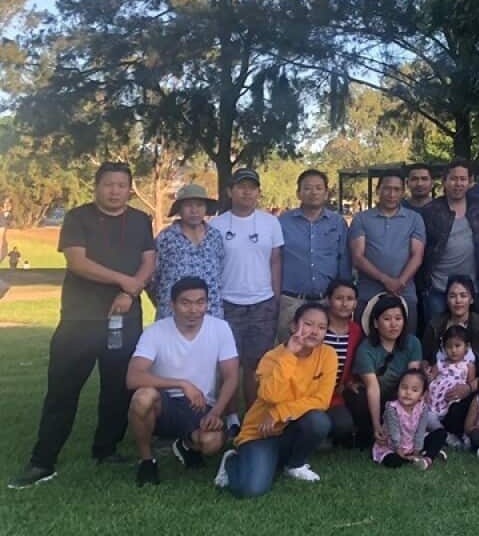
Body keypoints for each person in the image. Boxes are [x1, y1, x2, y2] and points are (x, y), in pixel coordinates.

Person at [10, 162, 156, 490]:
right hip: (80, 319)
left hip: (125, 319)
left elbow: (149, 261)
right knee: (63, 390)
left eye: (122, 185)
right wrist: (124, 281)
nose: (115, 191)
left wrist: (129, 292)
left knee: (117, 388)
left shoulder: (140, 220)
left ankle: (106, 449)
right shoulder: (78, 218)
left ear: (129, 189)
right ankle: (43, 460)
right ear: (97, 186)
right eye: (109, 184)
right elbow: (77, 262)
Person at [213, 303, 336, 499]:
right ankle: (232, 461)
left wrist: (279, 412)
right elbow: (271, 395)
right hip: (262, 432)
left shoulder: (328, 355)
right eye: (308, 324)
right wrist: (289, 355)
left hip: (291, 427)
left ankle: (295, 464)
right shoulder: (272, 357)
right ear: (293, 326)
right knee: (251, 490)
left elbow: (321, 400)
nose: (314, 331)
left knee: (318, 421)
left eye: (321, 327)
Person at [127, 277, 239, 486]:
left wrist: (217, 412)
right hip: (163, 404)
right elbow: (133, 377)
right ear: (172, 305)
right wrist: (181, 384)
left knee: (212, 444)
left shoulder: (220, 328)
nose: (194, 310)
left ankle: (186, 445)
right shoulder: (155, 331)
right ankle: (147, 460)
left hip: (200, 405)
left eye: (200, 302)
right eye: (185, 303)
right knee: (143, 397)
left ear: (207, 303)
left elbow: (231, 376)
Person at [210, 167, 284, 418]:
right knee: (229, 364)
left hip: (262, 303)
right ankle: (230, 416)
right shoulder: (217, 225)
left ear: (258, 193)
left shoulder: (271, 223)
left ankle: (252, 417)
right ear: (230, 191)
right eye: (241, 187)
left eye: (252, 188)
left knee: (256, 365)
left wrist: (275, 296)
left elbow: (275, 261)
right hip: (227, 302)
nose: (246, 192)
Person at [349, 172, 426, 339]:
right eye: (387, 189)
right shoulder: (361, 219)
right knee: (366, 340)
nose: (392, 194)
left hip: (404, 291)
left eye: (397, 189)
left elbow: (417, 255)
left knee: (406, 341)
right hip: (369, 291)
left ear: (403, 192)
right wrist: (385, 280)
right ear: (378, 190)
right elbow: (358, 257)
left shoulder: (414, 219)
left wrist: (400, 282)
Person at [278, 169, 349, 341]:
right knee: (288, 349)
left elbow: (344, 259)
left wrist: (342, 297)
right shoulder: (282, 222)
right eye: (308, 188)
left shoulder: (337, 222)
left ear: (326, 193)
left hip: (326, 301)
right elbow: (274, 259)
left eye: (318, 188)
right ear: (298, 193)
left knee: (325, 350)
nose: (314, 192)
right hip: (291, 301)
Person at [348, 295, 424, 449]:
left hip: (401, 396)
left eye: (398, 318)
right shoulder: (366, 348)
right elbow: (373, 388)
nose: (393, 324)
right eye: (387, 319)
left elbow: (413, 380)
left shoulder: (413, 343)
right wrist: (377, 424)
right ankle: (368, 433)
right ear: (376, 323)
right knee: (359, 397)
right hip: (375, 397)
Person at [420, 160, 479, 319]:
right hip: (438, 287)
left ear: (470, 181)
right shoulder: (430, 211)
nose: (458, 183)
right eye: (453, 179)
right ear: (444, 181)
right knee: (437, 330)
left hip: (472, 287)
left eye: (463, 179)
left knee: (472, 331)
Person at [151, 183, 224, 319]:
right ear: (179, 209)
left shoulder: (215, 237)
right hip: (173, 316)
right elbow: (152, 277)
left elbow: (221, 273)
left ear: (206, 208)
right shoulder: (166, 238)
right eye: (188, 205)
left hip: (210, 314)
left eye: (199, 205)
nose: (194, 210)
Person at [373, 369, 447, 469]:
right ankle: (411, 459)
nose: (408, 392)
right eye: (404, 388)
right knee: (393, 461)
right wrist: (399, 451)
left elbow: (421, 431)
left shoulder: (423, 408)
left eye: (414, 390)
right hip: (393, 446)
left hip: (413, 443)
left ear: (422, 395)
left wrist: (417, 451)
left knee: (441, 433)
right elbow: (395, 434)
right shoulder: (392, 408)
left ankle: (428, 458)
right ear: (398, 389)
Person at [422, 275, 479, 365]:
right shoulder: (434, 325)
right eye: (452, 296)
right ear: (447, 299)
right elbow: (426, 358)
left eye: (463, 296)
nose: (458, 300)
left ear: (471, 299)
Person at [322, 279, 362, 448]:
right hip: (310, 391)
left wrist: (350, 381)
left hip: (336, 395)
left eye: (350, 299)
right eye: (339, 298)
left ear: (356, 303)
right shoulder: (319, 327)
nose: (344, 304)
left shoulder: (356, 331)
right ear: (328, 300)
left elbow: (354, 362)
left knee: (343, 425)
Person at [427, 325, 477, 441]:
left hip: (453, 401)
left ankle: (449, 434)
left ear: (467, 347)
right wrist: (427, 375)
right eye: (449, 347)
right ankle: (439, 432)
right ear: (444, 348)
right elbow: (430, 379)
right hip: (434, 400)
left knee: (455, 413)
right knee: (428, 417)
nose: (453, 350)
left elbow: (469, 387)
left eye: (457, 346)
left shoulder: (469, 366)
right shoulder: (440, 364)